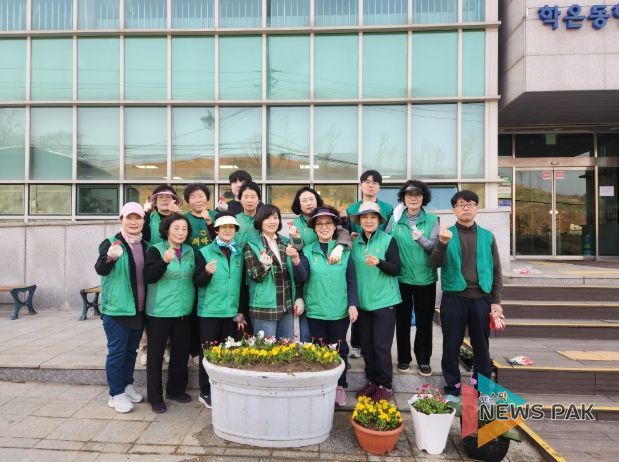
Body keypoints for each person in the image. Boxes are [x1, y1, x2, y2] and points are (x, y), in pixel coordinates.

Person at [430, 190, 505, 398]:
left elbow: (496, 269)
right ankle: (453, 387)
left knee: (482, 346)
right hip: (454, 298)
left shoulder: (487, 236)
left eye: (470, 204)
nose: (466, 208)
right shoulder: (446, 234)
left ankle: (482, 388)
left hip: (481, 298)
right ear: (454, 210)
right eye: (461, 204)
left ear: (476, 208)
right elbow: (434, 263)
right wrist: (442, 243)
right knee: (451, 346)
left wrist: (496, 301)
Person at [293, 206, 359, 407]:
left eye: (328, 224)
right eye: (319, 224)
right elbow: (302, 277)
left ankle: (340, 386)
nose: (324, 227)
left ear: (334, 226)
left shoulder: (344, 251)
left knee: (339, 348)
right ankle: (321, 385)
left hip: (339, 310)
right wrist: (296, 261)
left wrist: (353, 304)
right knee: (319, 348)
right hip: (316, 310)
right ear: (314, 228)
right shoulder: (307, 251)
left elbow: (351, 281)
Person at [94, 202, 147, 413]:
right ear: (121, 220)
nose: (133, 222)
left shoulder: (145, 245)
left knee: (131, 351)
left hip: (139, 309)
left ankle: (126, 385)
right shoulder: (110, 243)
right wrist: (110, 257)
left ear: (143, 221)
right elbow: (101, 269)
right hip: (116, 309)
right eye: (129, 218)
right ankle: (115, 394)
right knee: (117, 353)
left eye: (138, 218)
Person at [386, 180, 439, 376]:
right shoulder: (395, 219)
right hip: (401, 279)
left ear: (424, 198)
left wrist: (421, 239)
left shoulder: (432, 220)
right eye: (409, 195)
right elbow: (385, 243)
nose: (414, 198)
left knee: (425, 322)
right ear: (404, 198)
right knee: (402, 321)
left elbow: (436, 249)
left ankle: (424, 359)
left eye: (418, 195)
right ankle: (403, 358)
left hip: (426, 279)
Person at [144, 213, 196, 414]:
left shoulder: (190, 251)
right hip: (160, 312)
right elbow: (149, 276)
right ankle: (155, 397)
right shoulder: (156, 250)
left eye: (184, 229)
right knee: (155, 356)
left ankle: (175, 390)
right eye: (176, 228)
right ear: (167, 230)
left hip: (184, 311)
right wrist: (164, 261)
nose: (180, 232)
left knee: (181, 354)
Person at [194, 213, 247, 409]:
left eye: (231, 227)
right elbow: (197, 282)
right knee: (208, 353)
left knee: (227, 353)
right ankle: (205, 391)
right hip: (210, 311)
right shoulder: (204, 252)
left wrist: (241, 311)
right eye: (223, 227)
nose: (227, 230)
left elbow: (243, 285)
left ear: (235, 231)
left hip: (231, 312)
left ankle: (223, 388)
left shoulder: (239, 252)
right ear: (216, 230)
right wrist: (207, 273)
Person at [350, 202, 401, 402]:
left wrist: (379, 262)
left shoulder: (388, 240)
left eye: (373, 217)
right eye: (365, 217)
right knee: (367, 346)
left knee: (381, 346)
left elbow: (396, 269)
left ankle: (385, 385)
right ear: (359, 221)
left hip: (384, 302)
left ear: (379, 220)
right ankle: (372, 381)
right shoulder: (354, 243)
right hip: (363, 303)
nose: (369, 221)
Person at [289, 186, 352, 342]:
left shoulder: (327, 215)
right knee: (312, 340)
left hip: (336, 298)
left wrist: (340, 246)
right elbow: (298, 255)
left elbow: (343, 232)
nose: (308, 203)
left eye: (311, 199)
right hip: (310, 279)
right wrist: (299, 296)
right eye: (304, 200)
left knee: (338, 344)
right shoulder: (295, 225)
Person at [343, 170, 394, 359]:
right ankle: (356, 344)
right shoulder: (352, 208)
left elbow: (390, 232)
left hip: (379, 257)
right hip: (358, 255)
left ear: (379, 186)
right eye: (367, 181)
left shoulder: (388, 208)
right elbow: (346, 232)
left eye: (375, 182)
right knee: (359, 300)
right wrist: (351, 238)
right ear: (361, 185)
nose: (370, 185)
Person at [243, 204, 302, 339]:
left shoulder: (285, 242)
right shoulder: (252, 244)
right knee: (265, 349)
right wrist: (264, 266)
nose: (272, 221)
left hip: (286, 305)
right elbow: (254, 275)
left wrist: (298, 297)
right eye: (267, 218)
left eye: (275, 218)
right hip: (264, 306)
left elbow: (295, 268)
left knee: (287, 347)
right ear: (260, 220)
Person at [183, 183, 217, 365]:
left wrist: (210, 222)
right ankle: (194, 350)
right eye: (193, 197)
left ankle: (210, 348)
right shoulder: (184, 219)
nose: (198, 200)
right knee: (193, 310)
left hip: (214, 270)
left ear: (207, 198)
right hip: (191, 270)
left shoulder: (215, 216)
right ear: (188, 201)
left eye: (201, 196)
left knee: (208, 310)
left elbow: (223, 239)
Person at [235, 181, 263, 249]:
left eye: (253, 197)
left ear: (259, 200)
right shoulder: (234, 220)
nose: (249, 200)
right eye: (246, 197)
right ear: (240, 200)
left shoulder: (264, 220)